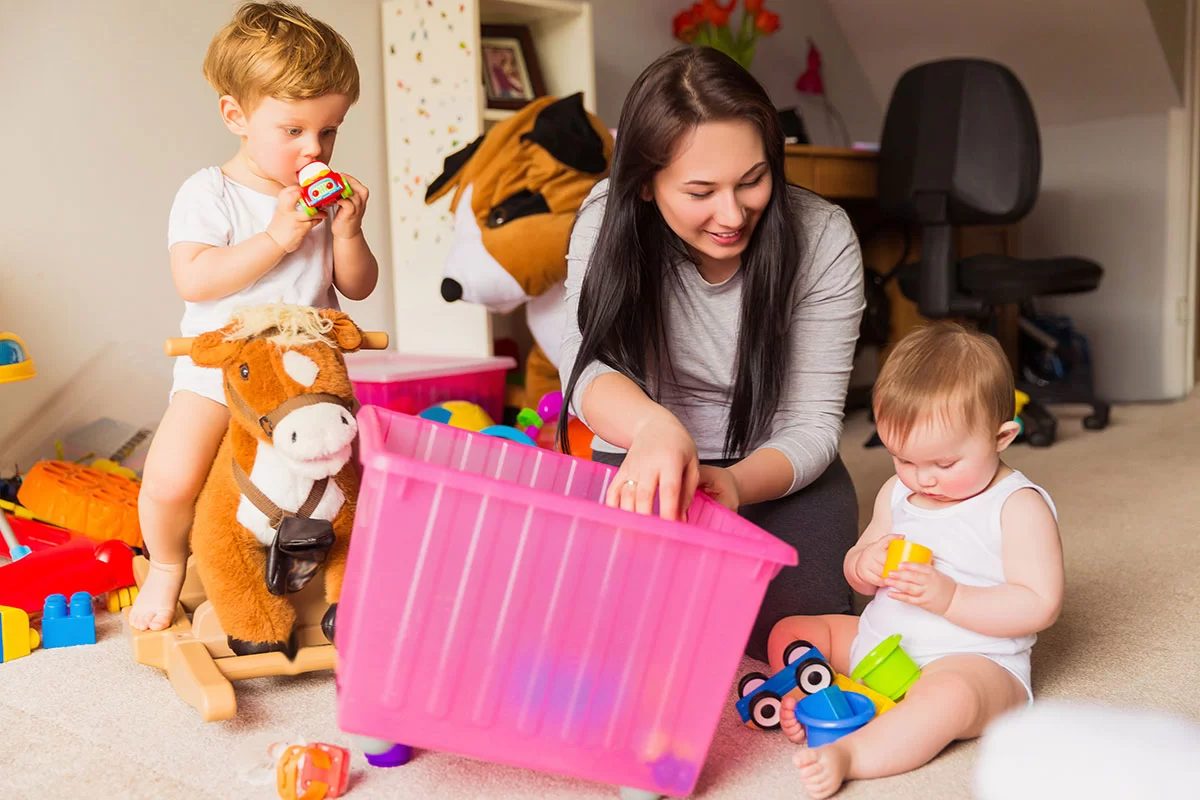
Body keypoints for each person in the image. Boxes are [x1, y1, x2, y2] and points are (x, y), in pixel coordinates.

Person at [557, 46, 866, 661]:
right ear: (645, 185)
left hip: (773, 473)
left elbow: (813, 425)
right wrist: (654, 429)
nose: (733, 214)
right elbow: (583, 360)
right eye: (701, 191)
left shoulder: (824, 236)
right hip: (645, 462)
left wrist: (732, 482)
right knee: (607, 634)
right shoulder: (606, 218)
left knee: (794, 640)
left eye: (752, 180)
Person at [129, 2, 379, 631]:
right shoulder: (209, 192)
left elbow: (358, 285)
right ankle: (165, 565)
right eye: (292, 130)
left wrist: (347, 232)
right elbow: (195, 276)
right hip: (222, 370)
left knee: (347, 486)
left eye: (329, 130)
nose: (313, 149)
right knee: (169, 478)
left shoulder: (323, 202)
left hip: (306, 381)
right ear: (236, 116)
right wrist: (276, 237)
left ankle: (335, 575)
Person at [768, 322, 1064, 799]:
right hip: (881, 646)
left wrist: (950, 598)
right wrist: (863, 565)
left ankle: (853, 752)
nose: (922, 478)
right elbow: (859, 563)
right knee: (792, 632)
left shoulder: (1017, 505)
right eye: (902, 458)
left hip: (971, 662)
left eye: (944, 464)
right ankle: (820, 697)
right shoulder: (899, 491)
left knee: (948, 700)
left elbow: (1039, 604)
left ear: (1002, 437)